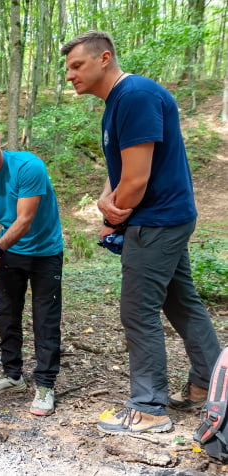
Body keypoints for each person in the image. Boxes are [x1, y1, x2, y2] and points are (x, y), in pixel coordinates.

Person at [61, 30, 221, 434]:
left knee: (138, 310)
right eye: (68, 68)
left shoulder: (135, 96)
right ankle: (209, 385)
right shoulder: (118, 102)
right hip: (162, 218)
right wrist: (104, 198)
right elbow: (119, 169)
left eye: (77, 65)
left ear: (104, 58)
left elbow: (135, 180)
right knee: (182, 304)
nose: (70, 75)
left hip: (156, 221)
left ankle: (148, 407)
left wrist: (111, 219)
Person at [0, 121, 64, 416]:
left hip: (45, 253)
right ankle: (13, 376)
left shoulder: (28, 167)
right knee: (6, 315)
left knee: (45, 319)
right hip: (10, 254)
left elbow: (24, 220)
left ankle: (45, 385)